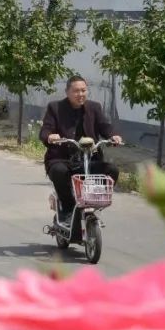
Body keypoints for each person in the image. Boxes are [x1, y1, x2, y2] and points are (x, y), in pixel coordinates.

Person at [40, 75, 123, 224]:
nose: (80, 94)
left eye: (83, 90)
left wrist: (113, 136)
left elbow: (104, 126)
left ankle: (92, 201)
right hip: (62, 159)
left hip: (88, 159)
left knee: (112, 171)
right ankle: (67, 206)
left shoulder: (94, 107)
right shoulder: (55, 108)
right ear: (67, 92)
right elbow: (45, 130)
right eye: (76, 91)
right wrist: (50, 136)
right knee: (60, 172)